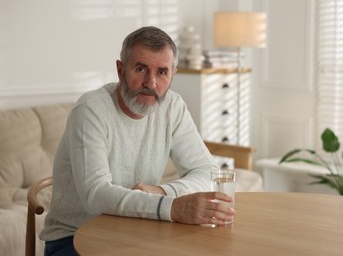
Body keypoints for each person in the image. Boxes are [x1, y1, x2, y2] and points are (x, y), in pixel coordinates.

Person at [40, 26, 235, 255]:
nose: (151, 83)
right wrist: (171, 208)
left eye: (162, 72)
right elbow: (96, 196)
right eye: (141, 68)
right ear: (120, 69)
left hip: (138, 230)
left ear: (173, 75)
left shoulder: (173, 107)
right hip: (74, 237)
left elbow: (207, 172)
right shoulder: (90, 110)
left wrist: (163, 192)